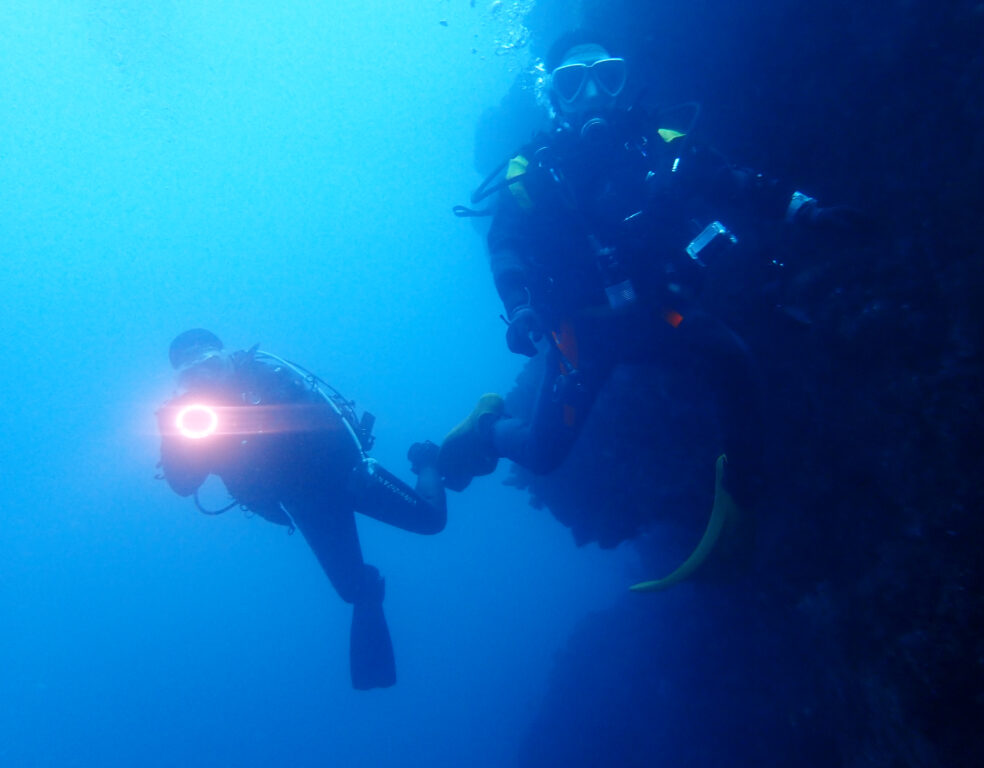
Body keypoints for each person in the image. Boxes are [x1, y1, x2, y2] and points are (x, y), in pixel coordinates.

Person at [440, 34, 862, 589]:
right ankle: (488, 429)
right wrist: (518, 308)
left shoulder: (659, 144)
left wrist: (805, 211)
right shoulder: (532, 172)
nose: (592, 94)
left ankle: (742, 494)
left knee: (732, 357)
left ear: (622, 82)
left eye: (606, 77)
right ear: (557, 99)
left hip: (657, 315)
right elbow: (506, 244)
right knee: (543, 453)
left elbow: (732, 181)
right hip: (580, 332)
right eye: (572, 83)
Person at [156, 329, 446, 689]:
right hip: (305, 502)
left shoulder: (263, 375)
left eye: (207, 361)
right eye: (190, 369)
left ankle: (426, 459)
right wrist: (174, 435)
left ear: (223, 355)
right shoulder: (190, 419)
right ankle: (374, 664)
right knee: (352, 591)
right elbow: (184, 485)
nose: (202, 373)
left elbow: (322, 418)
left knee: (431, 522)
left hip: (347, 475)